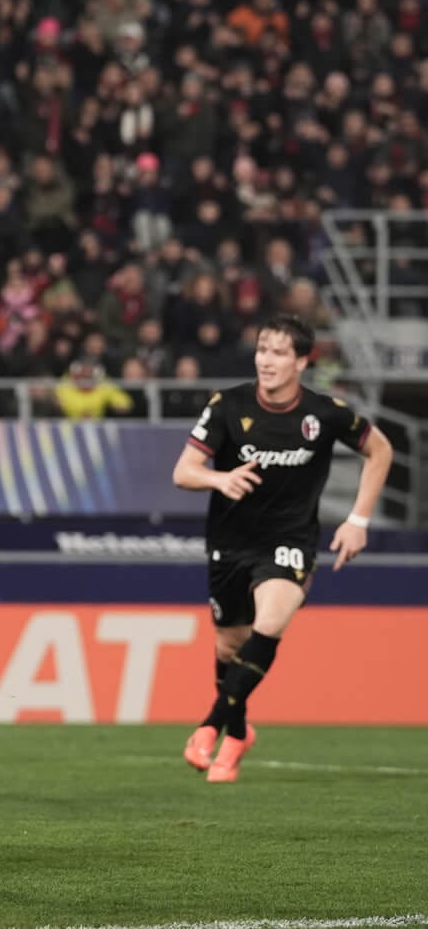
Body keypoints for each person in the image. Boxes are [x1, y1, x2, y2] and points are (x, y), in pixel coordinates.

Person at [172, 314, 392, 783]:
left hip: (290, 541)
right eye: (261, 350)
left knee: (270, 622)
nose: (266, 361)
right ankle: (237, 732)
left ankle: (210, 725)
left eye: (278, 352)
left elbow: (381, 450)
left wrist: (358, 520)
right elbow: (183, 471)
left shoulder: (326, 413)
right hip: (230, 543)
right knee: (229, 645)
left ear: (302, 361)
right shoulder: (227, 405)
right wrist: (219, 478)